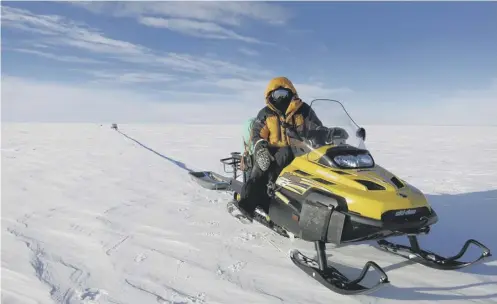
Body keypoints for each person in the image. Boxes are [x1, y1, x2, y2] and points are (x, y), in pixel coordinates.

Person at [236, 76, 325, 220]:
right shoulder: (265, 113)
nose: (281, 98)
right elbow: (257, 134)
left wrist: (327, 133)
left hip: (302, 150)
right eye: (276, 94)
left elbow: (316, 126)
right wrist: (260, 148)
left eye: (284, 93)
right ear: (269, 95)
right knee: (261, 169)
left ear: (291, 92)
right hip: (272, 152)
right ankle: (248, 203)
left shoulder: (303, 110)